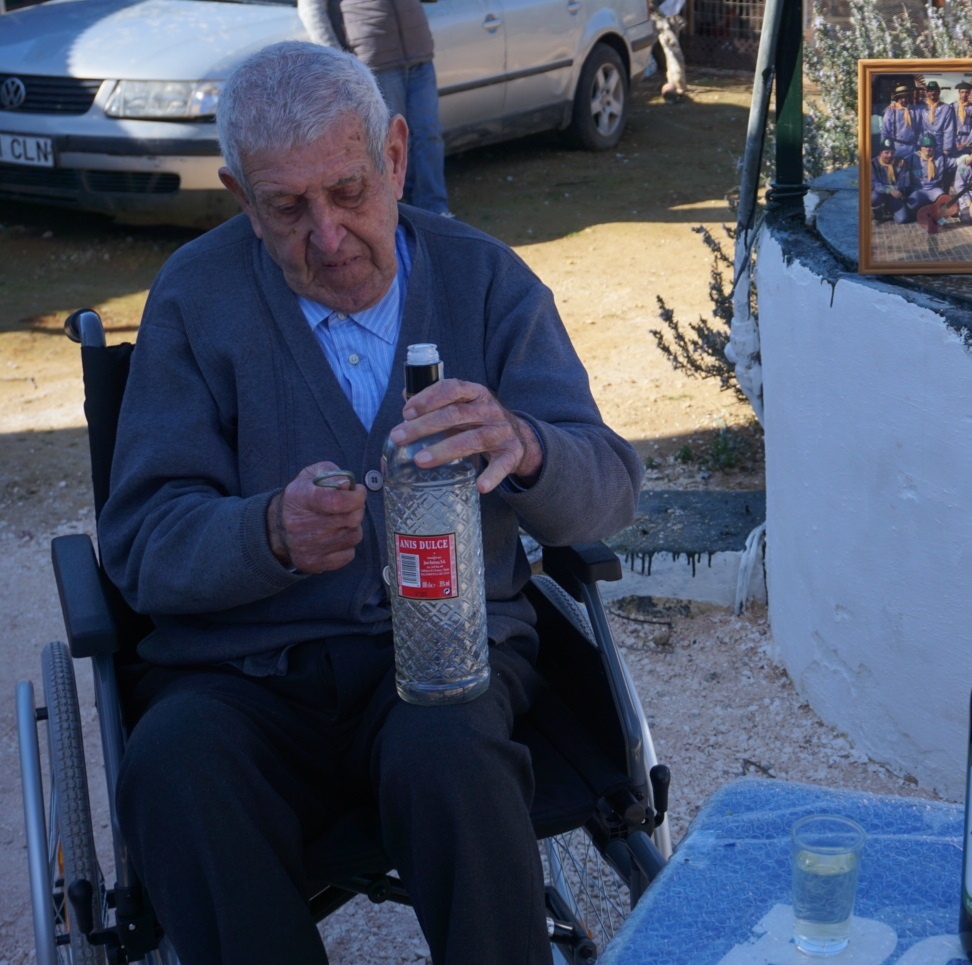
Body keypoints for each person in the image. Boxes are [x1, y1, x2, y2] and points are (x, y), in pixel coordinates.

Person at [98, 41, 643, 965]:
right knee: (174, 767)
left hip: (450, 661)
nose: (326, 235)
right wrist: (265, 531)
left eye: (347, 192)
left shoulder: (486, 282)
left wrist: (527, 444)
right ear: (240, 197)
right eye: (285, 208)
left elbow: (610, 487)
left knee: (451, 753)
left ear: (395, 156)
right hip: (247, 679)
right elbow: (141, 541)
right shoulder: (195, 298)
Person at [299, 0, 450, 216]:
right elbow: (311, 8)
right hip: (375, 62)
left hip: (419, 53)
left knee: (429, 134)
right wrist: (337, 59)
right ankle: (398, 211)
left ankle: (436, 212)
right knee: (388, 143)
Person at [650, 0, 688, 102]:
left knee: (672, 52)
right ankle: (678, 86)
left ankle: (675, 84)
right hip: (660, 16)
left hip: (667, 15)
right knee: (674, 52)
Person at [869, 137, 912, 223]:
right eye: (886, 152)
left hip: (895, 194)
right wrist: (889, 190)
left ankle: (889, 208)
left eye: (892, 152)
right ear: (880, 153)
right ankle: (878, 214)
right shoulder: (872, 164)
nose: (889, 155)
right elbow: (874, 183)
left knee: (902, 219)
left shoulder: (900, 163)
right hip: (880, 193)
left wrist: (898, 191)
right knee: (872, 197)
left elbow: (904, 182)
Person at [882, 85, 920, 161]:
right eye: (901, 98)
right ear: (897, 99)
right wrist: (886, 150)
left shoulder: (915, 110)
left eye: (906, 97)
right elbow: (885, 131)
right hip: (897, 148)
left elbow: (920, 129)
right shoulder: (891, 110)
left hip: (912, 148)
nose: (904, 100)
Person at [948, 81, 972, 158]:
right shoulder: (952, 106)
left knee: (967, 160)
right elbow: (950, 125)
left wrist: (967, 142)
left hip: (968, 138)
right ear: (959, 93)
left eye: (966, 92)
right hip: (955, 138)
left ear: (969, 93)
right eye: (962, 92)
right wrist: (956, 141)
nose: (964, 95)